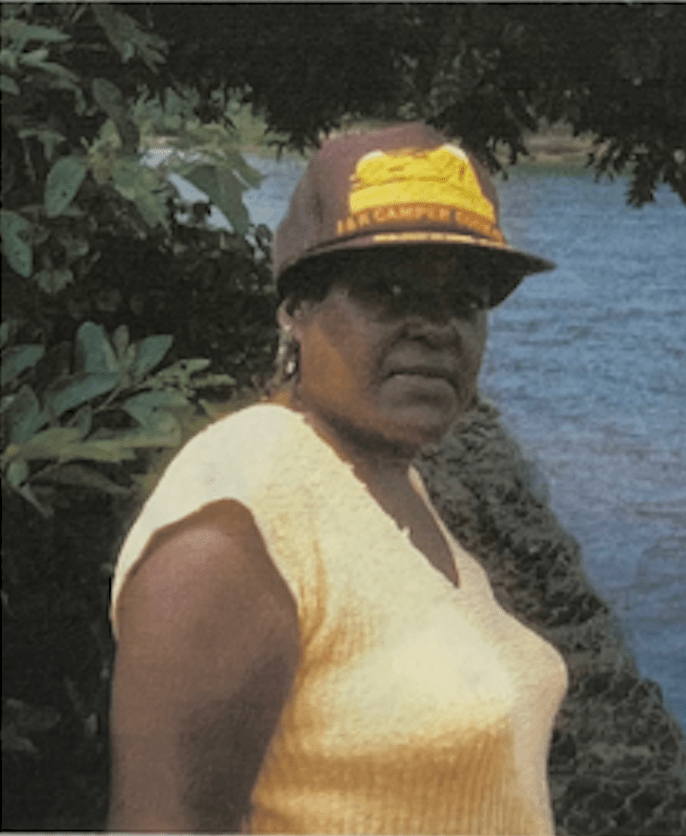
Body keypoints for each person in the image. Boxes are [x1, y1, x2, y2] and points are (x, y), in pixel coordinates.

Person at [106, 122, 569, 834]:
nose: (437, 327)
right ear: (297, 309)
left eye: (467, 300)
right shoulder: (237, 516)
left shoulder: (382, 480)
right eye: (388, 290)